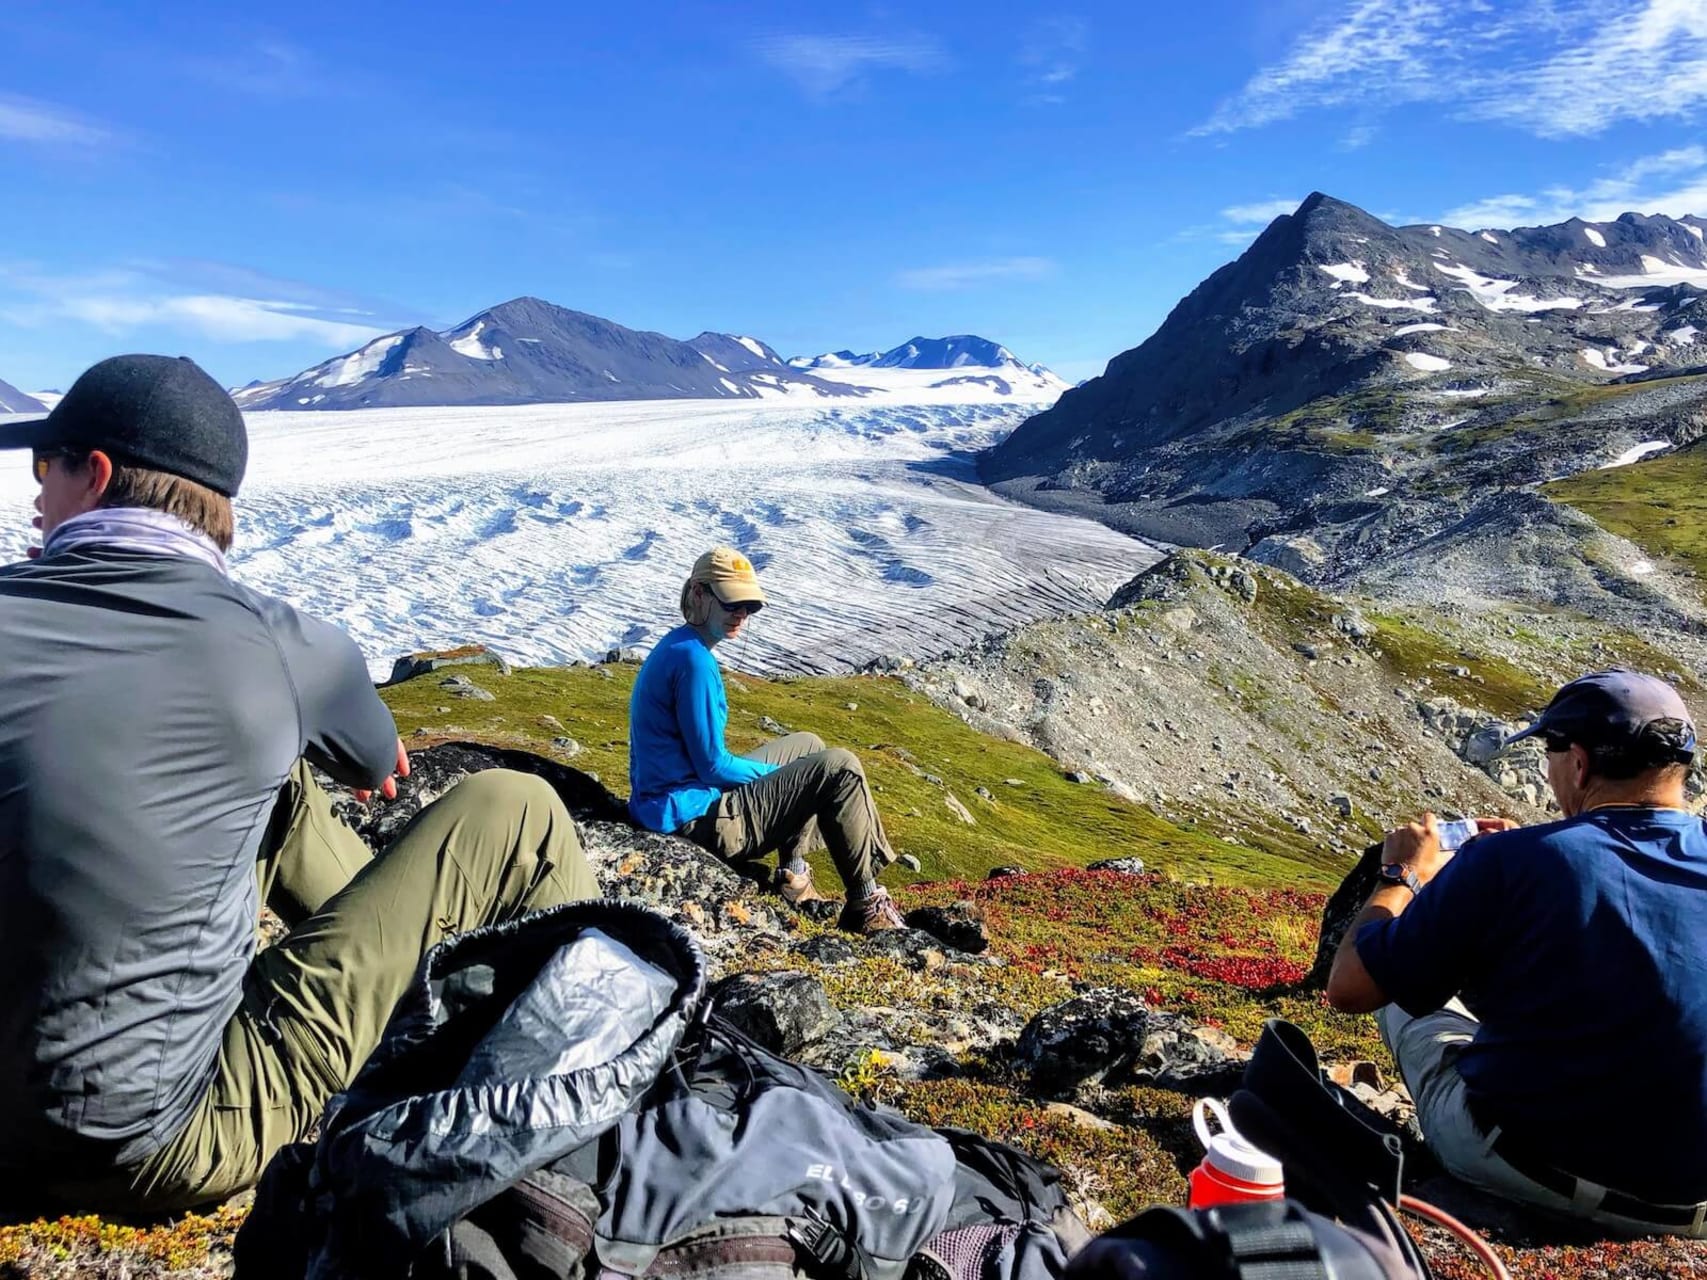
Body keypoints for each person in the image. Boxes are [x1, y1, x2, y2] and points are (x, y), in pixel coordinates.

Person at [0, 354, 600, 1216]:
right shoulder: (287, 645)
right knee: (519, 808)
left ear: (93, 475)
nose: (36, 495)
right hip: (149, 1144)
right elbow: (375, 766)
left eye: (42, 468)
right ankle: (577, 1105)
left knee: (264, 778)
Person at [1326, 669, 1707, 1237]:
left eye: (1549, 753)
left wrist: (1402, 875)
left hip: (1540, 1169)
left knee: (1404, 997)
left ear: (1578, 763)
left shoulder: (1511, 861)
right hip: (1695, 1208)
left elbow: (1349, 987)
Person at [627, 546, 907, 933]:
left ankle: (793, 877)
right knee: (840, 767)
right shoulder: (694, 662)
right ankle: (866, 904)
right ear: (699, 594)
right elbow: (713, 766)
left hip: (669, 804)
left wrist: (788, 776)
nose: (741, 614)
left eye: (750, 606)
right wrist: (782, 778)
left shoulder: (680, 646)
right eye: (732, 603)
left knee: (809, 744)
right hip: (692, 819)